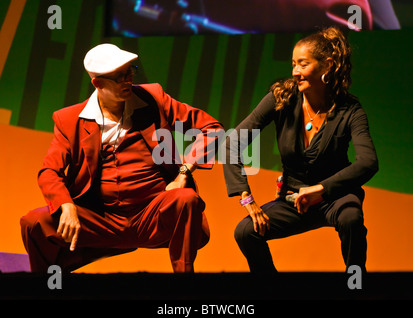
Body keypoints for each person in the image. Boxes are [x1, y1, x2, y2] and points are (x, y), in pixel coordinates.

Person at [20, 43, 224, 273]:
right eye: (119, 77)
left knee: (186, 199)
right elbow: (49, 171)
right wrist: (65, 205)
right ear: (98, 83)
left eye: (130, 71)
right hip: (101, 221)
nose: (128, 80)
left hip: (153, 216)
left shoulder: (153, 99)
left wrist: (184, 172)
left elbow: (212, 128)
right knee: (34, 222)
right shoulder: (70, 120)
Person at [223, 27, 378, 273]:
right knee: (245, 232)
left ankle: (356, 285)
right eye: (293, 64)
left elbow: (368, 162)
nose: (295, 72)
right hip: (292, 200)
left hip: (335, 198)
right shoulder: (282, 98)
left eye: (303, 65)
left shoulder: (350, 110)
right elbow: (232, 143)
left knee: (351, 218)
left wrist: (322, 189)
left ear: (327, 65)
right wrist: (247, 199)